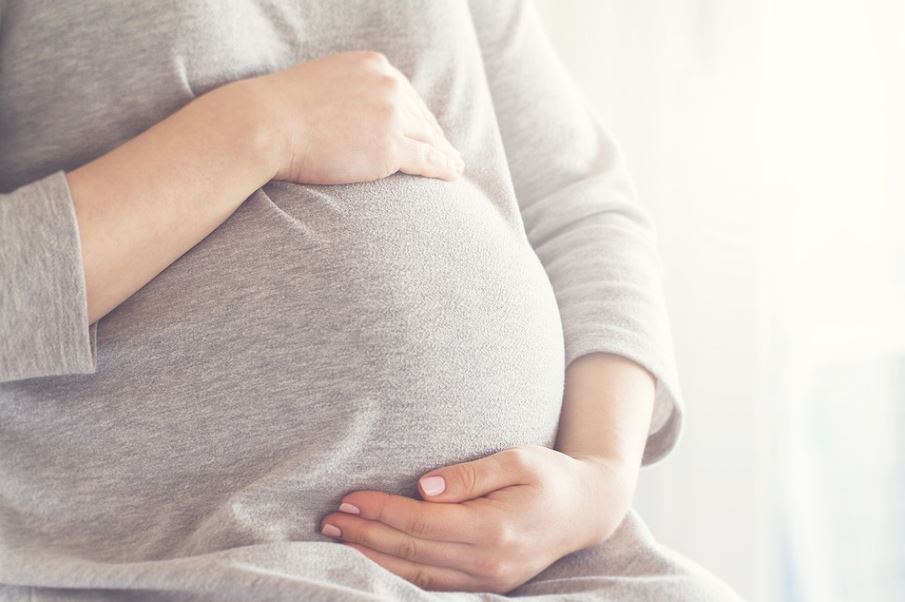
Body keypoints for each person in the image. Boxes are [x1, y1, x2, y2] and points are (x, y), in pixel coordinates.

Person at [0, 1, 743, 600]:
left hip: (548, 565)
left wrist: (598, 482)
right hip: (162, 560)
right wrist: (259, 129)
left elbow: (581, 206)